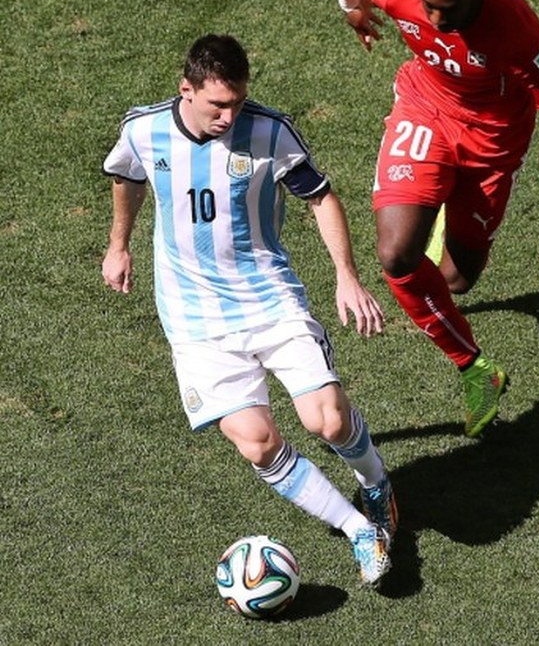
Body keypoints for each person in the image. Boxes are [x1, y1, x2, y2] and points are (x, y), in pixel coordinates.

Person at [100, 34, 397, 586]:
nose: (229, 116)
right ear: (186, 90)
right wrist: (119, 245)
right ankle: (359, 529)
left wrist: (346, 276)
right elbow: (128, 177)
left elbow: (320, 197)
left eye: (237, 102)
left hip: (268, 300)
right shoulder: (144, 130)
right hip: (194, 320)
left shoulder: (269, 132)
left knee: (327, 420)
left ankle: (376, 482)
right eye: (218, 105)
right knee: (258, 443)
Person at [337, 0, 539, 437]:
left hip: (492, 143)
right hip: (425, 110)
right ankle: (475, 368)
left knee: (455, 280)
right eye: (429, 6)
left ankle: (441, 207)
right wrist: (351, 3)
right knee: (397, 255)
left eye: (448, 9)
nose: (436, 19)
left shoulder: (516, 28)